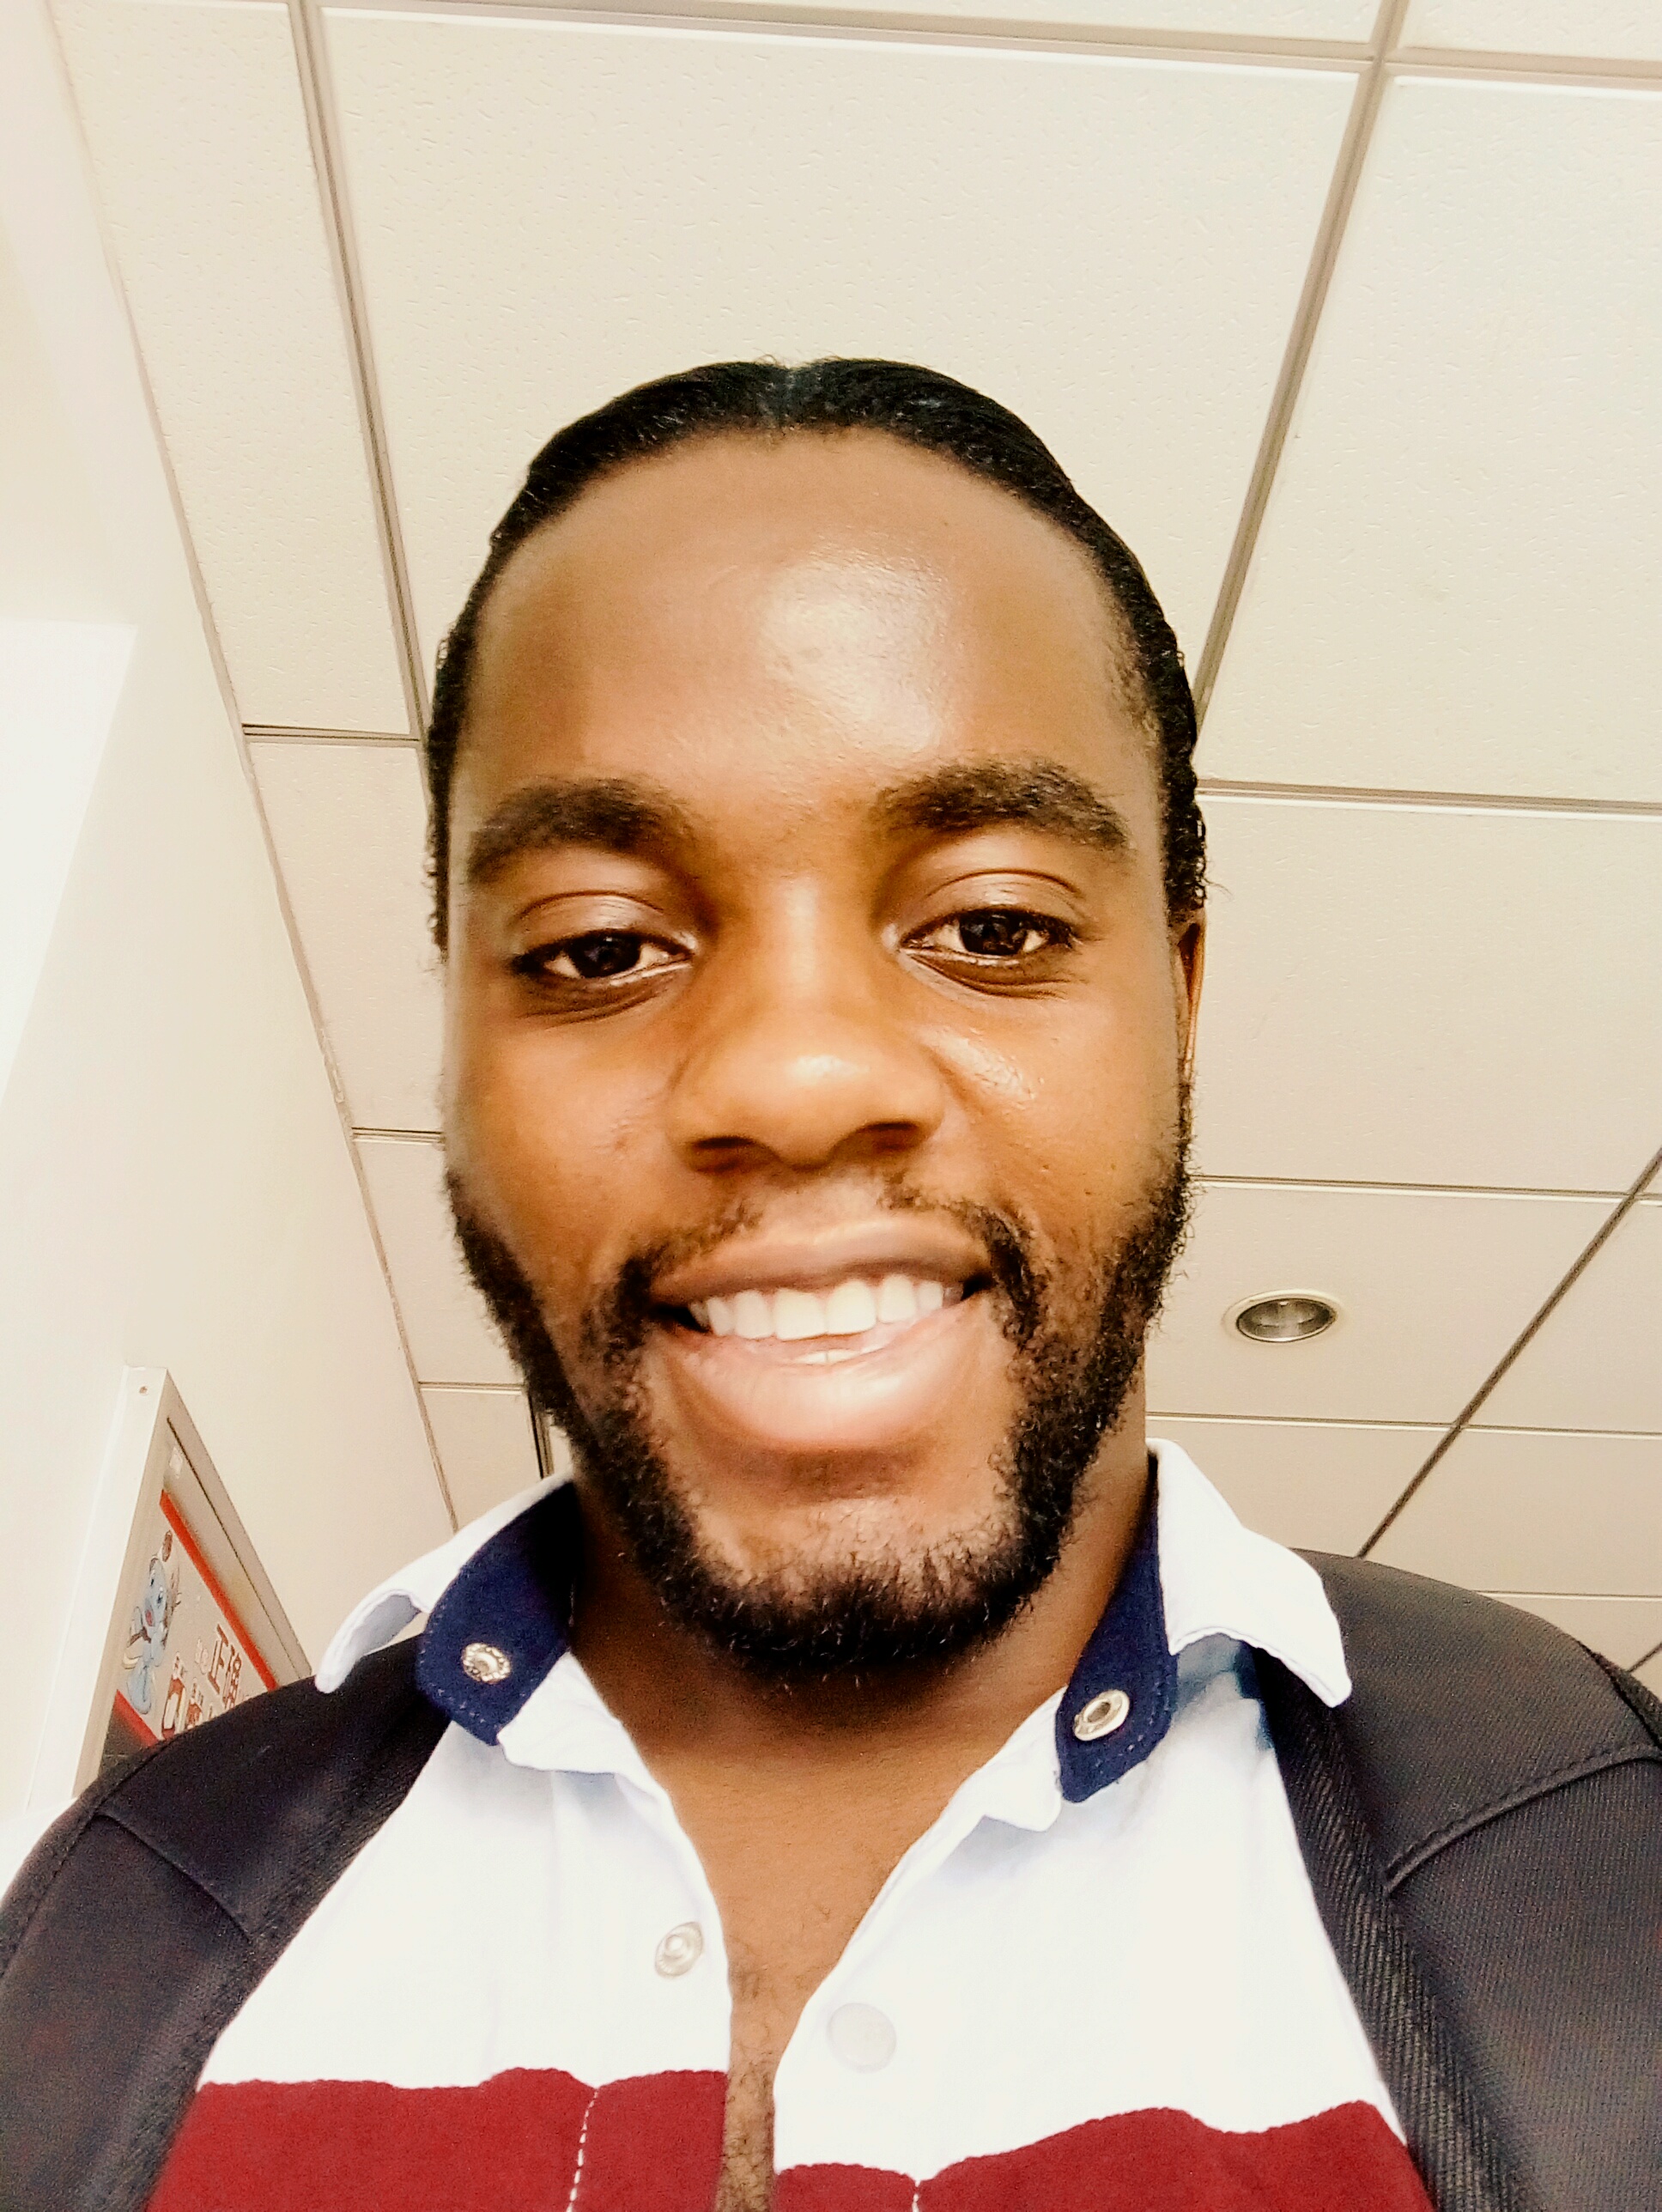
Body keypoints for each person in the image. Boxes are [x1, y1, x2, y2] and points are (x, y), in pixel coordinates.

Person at [1, 361, 1656, 2212]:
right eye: (599, 947)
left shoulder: (1594, 1867)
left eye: (993, 926)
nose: (793, 1081)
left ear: (1178, 1007)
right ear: (453, 1048)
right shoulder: (114, 1934)